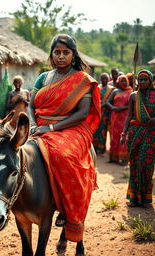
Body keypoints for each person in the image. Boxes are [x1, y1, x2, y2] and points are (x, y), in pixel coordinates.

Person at [28, 34, 101, 243]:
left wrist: (51, 127)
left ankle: (66, 208)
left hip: (71, 128)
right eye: (57, 52)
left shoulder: (81, 79)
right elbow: (31, 105)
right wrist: (35, 125)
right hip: (40, 126)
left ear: (73, 54)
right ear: (51, 54)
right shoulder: (43, 78)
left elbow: (82, 113)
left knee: (62, 155)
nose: (61, 56)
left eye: (66, 52)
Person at [121, 70, 155, 208]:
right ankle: (134, 198)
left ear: (150, 81)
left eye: (144, 80)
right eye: (140, 80)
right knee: (134, 164)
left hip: (151, 133)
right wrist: (124, 133)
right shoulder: (133, 96)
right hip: (135, 133)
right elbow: (129, 115)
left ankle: (146, 198)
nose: (142, 82)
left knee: (145, 164)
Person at [106, 75, 132, 165]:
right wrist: (113, 107)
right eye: (122, 81)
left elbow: (132, 105)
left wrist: (122, 108)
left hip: (125, 116)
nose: (124, 82)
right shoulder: (115, 91)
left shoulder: (131, 92)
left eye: (125, 81)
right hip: (115, 116)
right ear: (119, 82)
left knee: (123, 135)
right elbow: (107, 102)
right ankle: (114, 158)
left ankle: (124, 159)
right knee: (114, 135)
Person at [93, 73, 114, 154]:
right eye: (103, 78)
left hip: (105, 112)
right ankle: (95, 147)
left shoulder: (111, 89)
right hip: (96, 112)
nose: (104, 80)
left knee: (103, 130)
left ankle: (102, 148)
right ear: (100, 79)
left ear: (108, 79)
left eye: (106, 79)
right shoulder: (97, 88)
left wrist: (102, 105)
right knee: (95, 130)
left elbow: (109, 101)